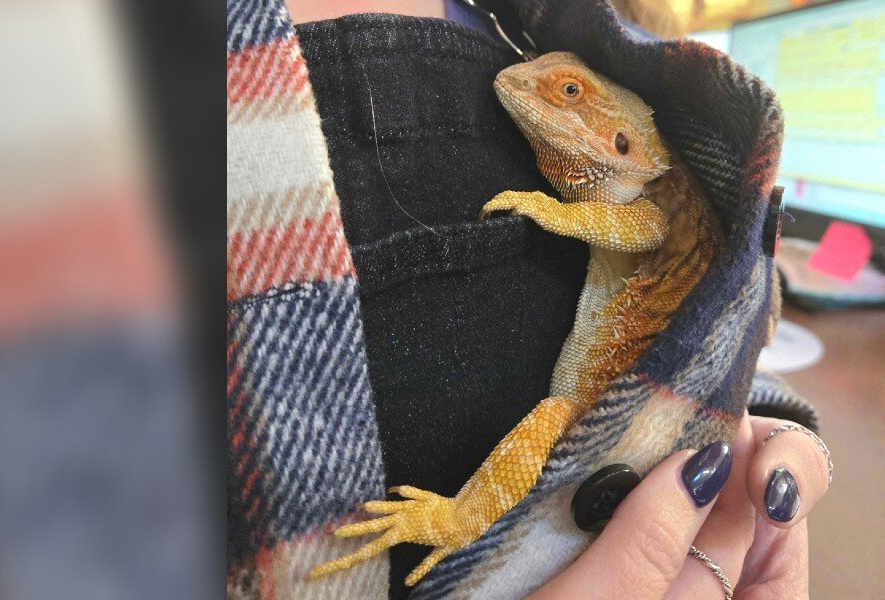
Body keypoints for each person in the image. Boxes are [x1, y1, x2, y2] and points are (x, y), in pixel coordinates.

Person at [228, 0, 829, 597]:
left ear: (621, 144)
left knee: (550, 421)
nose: (531, 88)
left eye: (568, 93)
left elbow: (683, 255)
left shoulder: (648, 167)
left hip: (630, 427)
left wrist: (759, 417)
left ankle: (459, 519)